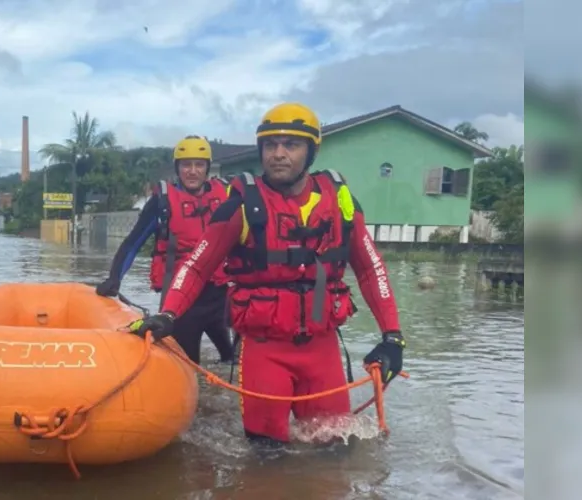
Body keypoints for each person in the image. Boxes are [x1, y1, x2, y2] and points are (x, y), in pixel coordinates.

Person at [132, 103, 405, 445]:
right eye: (270, 146)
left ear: (311, 152)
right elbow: (197, 265)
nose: (278, 154)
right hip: (264, 351)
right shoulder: (242, 205)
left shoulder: (340, 199)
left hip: (322, 350)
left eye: (291, 145)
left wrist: (392, 336)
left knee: (337, 452)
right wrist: (167, 314)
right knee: (267, 456)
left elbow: (371, 268)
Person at [96, 135, 236, 365]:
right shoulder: (162, 203)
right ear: (177, 168)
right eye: (186, 164)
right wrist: (114, 277)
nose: (192, 171)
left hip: (219, 296)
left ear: (208, 168)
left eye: (199, 165)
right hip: (181, 300)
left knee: (231, 360)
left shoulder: (226, 197)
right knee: (189, 367)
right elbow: (133, 243)